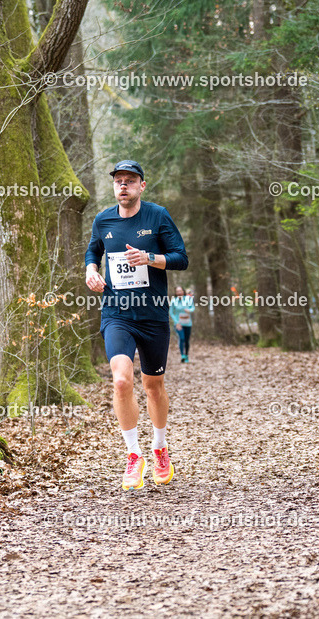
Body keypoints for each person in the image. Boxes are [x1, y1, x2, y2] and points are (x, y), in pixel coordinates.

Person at [85, 160, 188, 490]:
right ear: (114, 186)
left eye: (130, 180)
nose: (123, 185)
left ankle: (160, 447)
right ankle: (133, 455)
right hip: (117, 312)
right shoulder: (103, 220)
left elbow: (180, 258)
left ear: (142, 185)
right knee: (120, 381)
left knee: (153, 386)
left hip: (154, 314)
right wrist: (91, 271)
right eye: (118, 181)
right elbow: (93, 251)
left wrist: (150, 258)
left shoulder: (157, 216)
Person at [169, 286, 195, 363]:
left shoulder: (188, 299)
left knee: (187, 340)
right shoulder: (174, 301)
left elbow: (192, 308)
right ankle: (182, 355)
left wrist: (189, 310)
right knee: (182, 338)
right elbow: (171, 312)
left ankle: (186, 355)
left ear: (183, 291)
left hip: (187, 323)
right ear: (176, 293)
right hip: (178, 324)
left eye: (180, 291)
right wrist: (176, 322)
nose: (179, 292)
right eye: (177, 291)